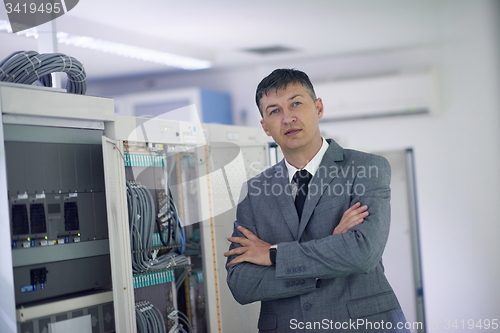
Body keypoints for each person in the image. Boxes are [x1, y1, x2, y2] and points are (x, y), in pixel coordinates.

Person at [224, 69, 409, 332]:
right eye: (274, 111)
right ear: (265, 126)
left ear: (318, 107)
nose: (288, 118)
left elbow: (362, 254)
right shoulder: (254, 192)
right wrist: (333, 248)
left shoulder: (367, 168)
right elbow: (242, 285)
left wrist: (273, 255)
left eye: (296, 103)